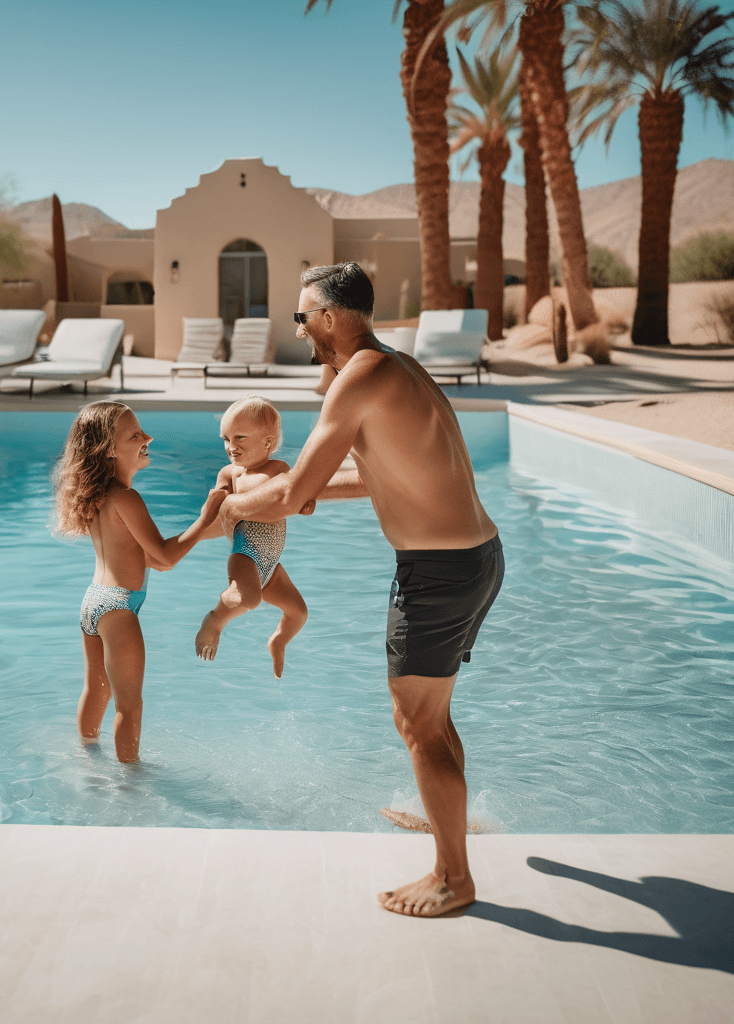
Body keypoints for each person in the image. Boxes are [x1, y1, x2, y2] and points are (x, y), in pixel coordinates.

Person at [217, 263, 503, 917]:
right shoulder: (395, 370)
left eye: (301, 317)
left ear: (326, 317)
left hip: (437, 572)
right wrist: (300, 495)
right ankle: (448, 825)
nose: (299, 330)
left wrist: (239, 507)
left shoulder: (359, 377)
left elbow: (291, 491)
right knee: (433, 714)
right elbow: (373, 477)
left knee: (416, 723)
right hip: (475, 558)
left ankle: (452, 877)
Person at [52, 400, 226, 763]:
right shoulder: (127, 498)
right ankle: (131, 784)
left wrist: (217, 527)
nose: (148, 437)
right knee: (129, 706)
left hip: (94, 602)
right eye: (135, 434)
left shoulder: (102, 496)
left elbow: (146, 555)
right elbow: (164, 558)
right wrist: (206, 513)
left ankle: (86, 758)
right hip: (119, 606)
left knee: (97, 690)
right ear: (109, 449)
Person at [194, 396, 310, 678]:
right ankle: (215, 620)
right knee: (250, 600)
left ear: (268, 443)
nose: (231, 447)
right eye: (226, 438)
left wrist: (306, 501)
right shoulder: (231, 474)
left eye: (240, 437)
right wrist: (217, 497)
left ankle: (278, 641)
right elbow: (212, 512)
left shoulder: (279, 469)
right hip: (245, 554)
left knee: (299, 612)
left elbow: (297, 496)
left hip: (271, 566)